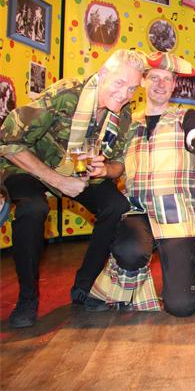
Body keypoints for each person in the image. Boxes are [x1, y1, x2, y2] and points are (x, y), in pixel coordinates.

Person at [0, 50, 143, 328]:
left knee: (116, 206)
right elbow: (8, 141)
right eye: (119, 83)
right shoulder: (66, 94)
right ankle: (27, 299)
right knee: (33, 208)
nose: (125, 94)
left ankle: (84, 287)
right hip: (29, 166)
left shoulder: (122, 115)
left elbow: (119, 164)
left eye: (132, 88)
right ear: (102, 74)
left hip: (77, 174)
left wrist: (105, 169)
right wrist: (57, 181)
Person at [87, 52, 195, 316]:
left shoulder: (186, 116)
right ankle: (124, 283)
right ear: (143, 81)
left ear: (175, 84)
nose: (160, 84)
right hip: (138, 210)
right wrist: (105, 170)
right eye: (154, 77)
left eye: (167, 79)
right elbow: (118, 164)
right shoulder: (127, 121)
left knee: (181, 306)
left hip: (176, 212)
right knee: (129, 250)